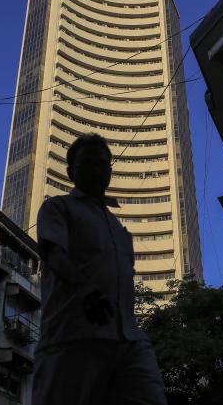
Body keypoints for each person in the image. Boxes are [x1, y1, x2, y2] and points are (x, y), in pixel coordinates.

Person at [32, 133, 167, 405]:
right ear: (71, 172)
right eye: (87, 164)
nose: (96, 170)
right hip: (73, 336)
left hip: (128, 339)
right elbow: (53, 252)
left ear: (110, 169)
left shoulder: (116, 226)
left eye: (102, 164)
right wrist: (85, 290)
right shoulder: (57, 207)